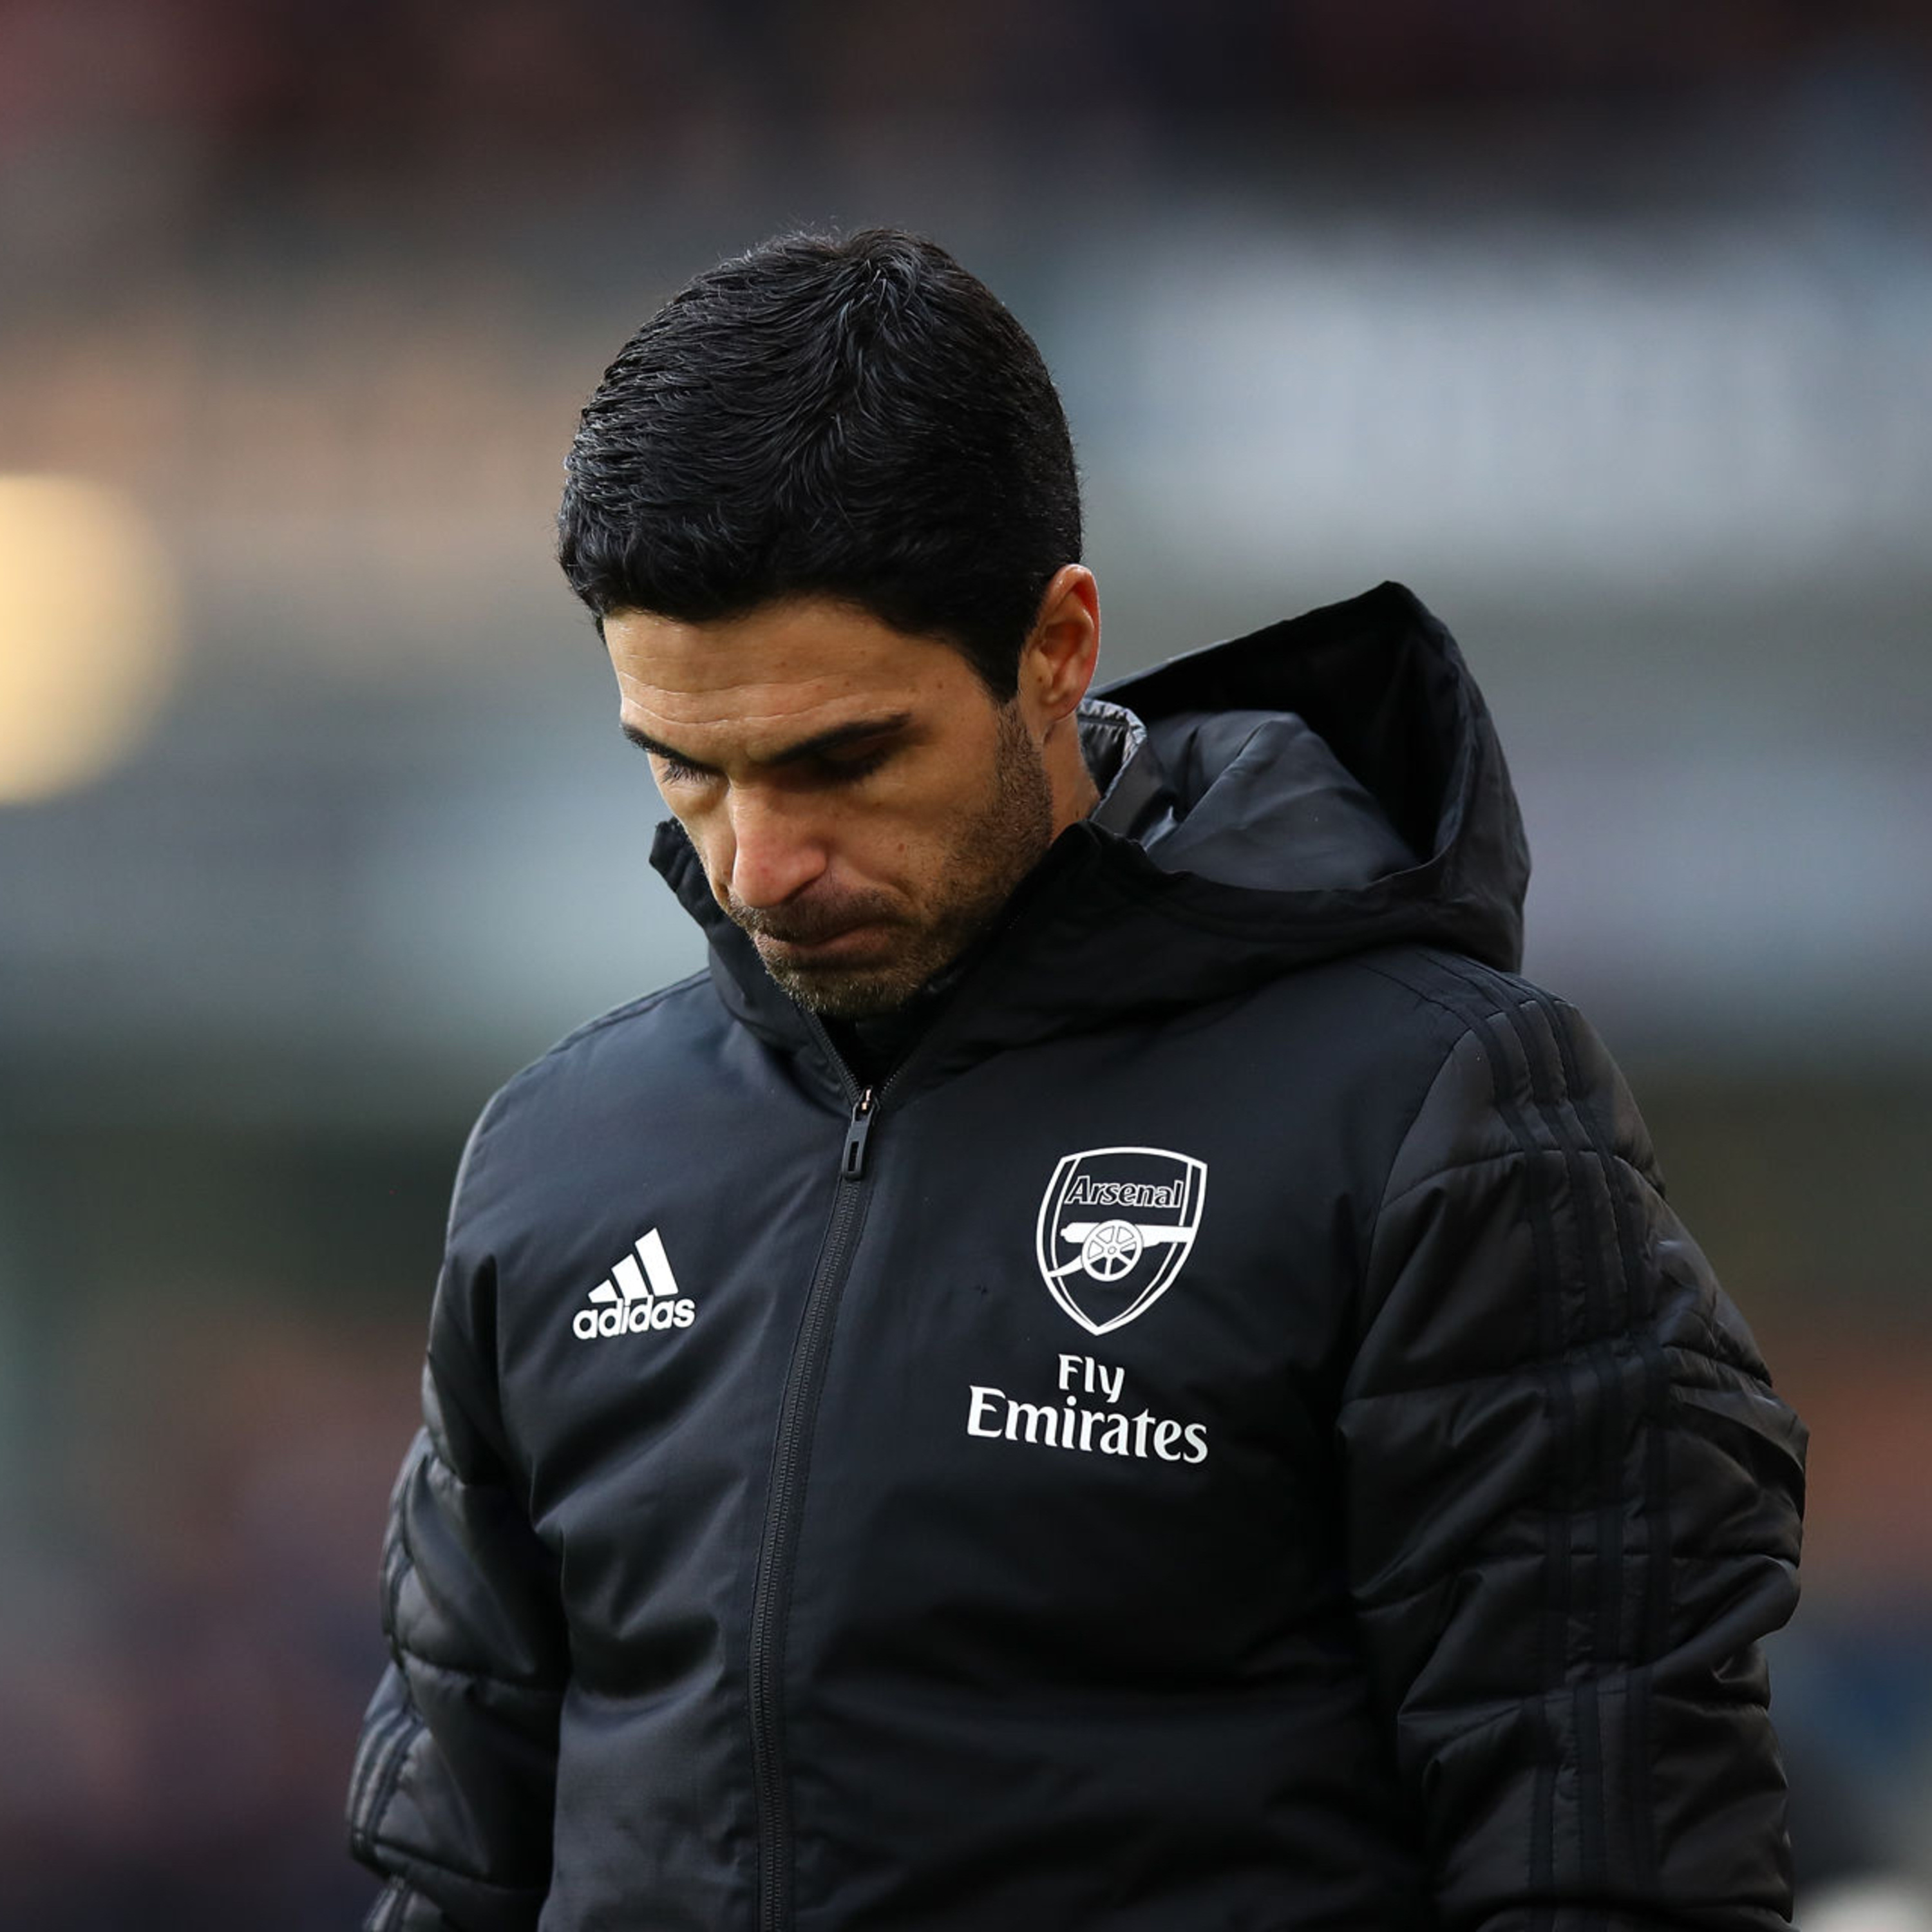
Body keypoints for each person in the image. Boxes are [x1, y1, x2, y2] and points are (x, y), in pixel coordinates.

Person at [347, 229, 1806, 1931]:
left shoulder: (1436, 1118)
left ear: (1057, 647)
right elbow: (453, 1866)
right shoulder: (559, 1157)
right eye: (687, 768)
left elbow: (1612, 1861)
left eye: (844, 758)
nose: (759, 864)